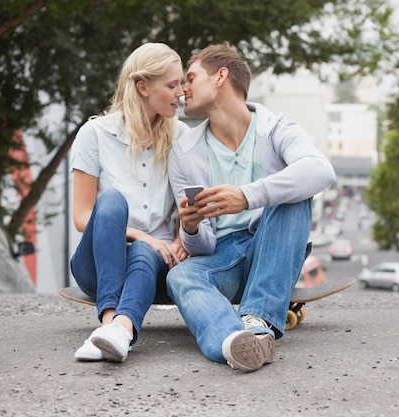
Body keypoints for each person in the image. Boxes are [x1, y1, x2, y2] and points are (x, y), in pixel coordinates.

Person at [167, 42, 336, 372]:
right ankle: (237, 343)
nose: (183, 88)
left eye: (190, 77)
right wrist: (189, 228)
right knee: (181, 276)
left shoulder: (276, 128)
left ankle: (257, 322)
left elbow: (320, 170)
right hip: (222, 257)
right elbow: (200, 246)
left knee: (295, 191)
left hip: (271, 248)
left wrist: (247, 196)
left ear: (221, 76)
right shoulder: (183, 151)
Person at [69, 43, 189, 363]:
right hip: (97, 262)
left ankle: (116, 330)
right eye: (172, 85)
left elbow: (190, 204)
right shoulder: (94, 134)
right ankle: (110, 320)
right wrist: (141, 234)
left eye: (182, 83)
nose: (182, 91)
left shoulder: (181, 135)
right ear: (142, 87)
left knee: (144, 251)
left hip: (155, 264)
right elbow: (82, 217)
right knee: (110, 200)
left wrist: (178, 240)